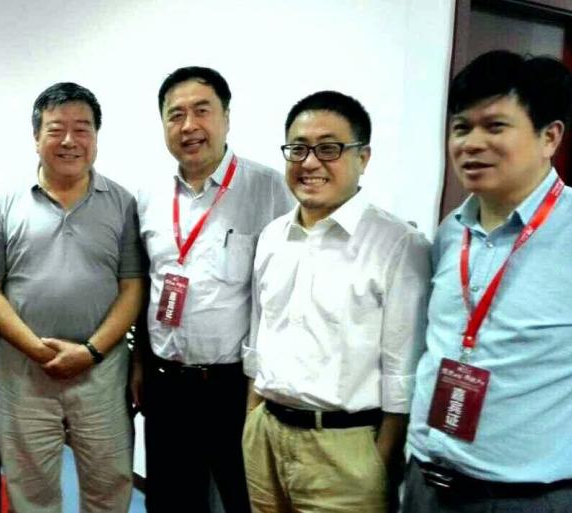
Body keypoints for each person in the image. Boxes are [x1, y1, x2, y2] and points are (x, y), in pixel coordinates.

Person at [242, 91, 430, 512]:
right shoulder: (272, 236)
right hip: (265, 435)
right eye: (298, 149)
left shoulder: (399, 245)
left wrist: (378, 462)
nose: (309, 162)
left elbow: (403, 373)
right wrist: (252, 418)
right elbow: (258, 337)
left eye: (328, 149)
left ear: (363, 157)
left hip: (345, 451)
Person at [403, 50, 572, 512]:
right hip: (425, 484)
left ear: (549, 137)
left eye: (495, 126)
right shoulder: (451, 231)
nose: (471, 143)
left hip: (524, 497)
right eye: (461, 128)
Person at [0, 82, 144, 513]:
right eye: (55, 129)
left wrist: (90, 351)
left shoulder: (122, 203)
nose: (69, 140)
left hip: (101, 372)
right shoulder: (4, 203)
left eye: (82, 129)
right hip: (24, 371)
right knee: (31, 490)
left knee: (109, 487)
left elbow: (133, 286)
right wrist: (36, 349)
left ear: (96, 137)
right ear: (36, 137)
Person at [134, 66, 292, 513]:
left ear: (226, 117)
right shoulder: (148, 196)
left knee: (243, 499)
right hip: (166, 383)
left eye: (201, 111)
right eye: (175, 115)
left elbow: (281, 295)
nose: (189, 126)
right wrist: (139, 362)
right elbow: (147, 286)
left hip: (233, 388)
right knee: (170, 502)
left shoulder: (269, 190)